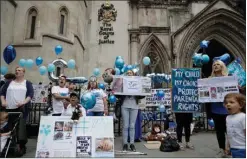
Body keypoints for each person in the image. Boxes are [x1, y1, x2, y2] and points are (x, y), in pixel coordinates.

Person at [0, 66, 34, 154]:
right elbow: (2, 93)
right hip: (8, 108)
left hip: (20, 108)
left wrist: (24, 102)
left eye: (19, 70)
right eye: (16, 70)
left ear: (23, 73)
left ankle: (20, 145)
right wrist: (3, 101)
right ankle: (6, 144)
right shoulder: (9, 83)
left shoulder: (27, 83)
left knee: (19, 127)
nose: (17, 71)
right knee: (6, 126)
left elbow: (30, 94)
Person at [117, 70, 145, 152]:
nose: (129, 74)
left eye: (131, 73)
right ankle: (125, 144)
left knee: (132, 126)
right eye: (128, 73)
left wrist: (142, 89)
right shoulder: (123, 82)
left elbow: (142, 95)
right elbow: (117, 94)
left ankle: (132, 144)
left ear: (133, 74)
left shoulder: (137, 82)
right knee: (125, 126)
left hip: (134, 106)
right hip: (125, 105)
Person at [209, 60, 229, 157]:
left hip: (227, 109)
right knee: (219, 131)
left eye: (218, 64)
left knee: (229, 130)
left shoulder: (228, 78)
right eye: (214, 65)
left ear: (222, 67)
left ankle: (230, 148)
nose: (216, 66)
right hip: (216, 109)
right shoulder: (209, 79)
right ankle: (222, 149)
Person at [224, 93, 246, 158]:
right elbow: (229, 133)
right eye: (226, 103)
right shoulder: (228, 118)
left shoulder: (243, 117)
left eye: (231, 102)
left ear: (241, 105)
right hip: (233, 148)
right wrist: (227, 146)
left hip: (243, 148)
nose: (228, 104)